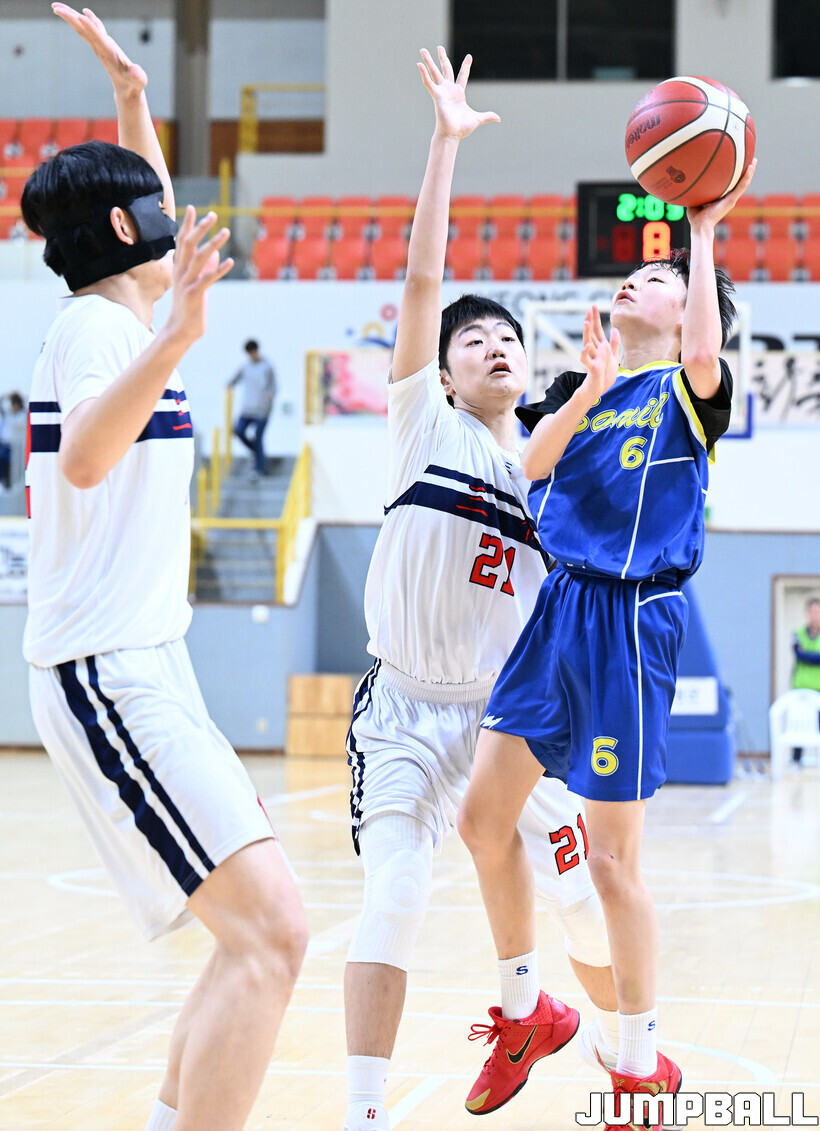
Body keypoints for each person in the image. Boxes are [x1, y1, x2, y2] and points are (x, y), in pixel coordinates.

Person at [21, 9, 307, 1131]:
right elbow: (87, 459)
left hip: (148, 662)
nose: (170, 214)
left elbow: (142, 215)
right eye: (148, 206)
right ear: (117, 228)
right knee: (271, 933)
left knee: (253, 938)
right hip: (106, 669)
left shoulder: (131, 313)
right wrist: (177, 338)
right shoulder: (99, 330)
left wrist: (133, 94)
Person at [342, 46, 618, 1131]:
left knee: (585, 899)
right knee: (395, 899)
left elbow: (563, 446)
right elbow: (422, 282)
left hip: (506, 721)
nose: (494, 346)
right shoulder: (425, 426)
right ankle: (364, 1115)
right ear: (444, 372)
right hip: (406, 712)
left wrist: (595, 391)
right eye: (473, 340)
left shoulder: (539, 466)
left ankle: (620, 1053)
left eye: (508, 337)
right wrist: (444, 145)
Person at [458, 156, 756, 1130]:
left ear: (687, 311)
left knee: (613, 864)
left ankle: (637, 1064)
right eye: (635, 272)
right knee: (481, 819)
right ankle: (526, 1013)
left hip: (630, 623)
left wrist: (699, 232)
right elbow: (529, 466)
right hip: (558, 613)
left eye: (657, 279)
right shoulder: (581, 390)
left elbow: (704, 346)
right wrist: (586, 391)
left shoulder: (690, 390)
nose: (635, 279)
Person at [227, 339, 276, 478]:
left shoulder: (267, 367)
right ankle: (258, 454)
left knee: (258, 437)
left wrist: (269, 396)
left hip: (262, 410)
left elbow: (273, 386)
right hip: (247, 409)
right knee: (239, 431)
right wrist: (229, 385)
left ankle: (259, 468)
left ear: (256, 351)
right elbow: (235, 379)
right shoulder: (245, 367)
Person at [790, 597, 820, 764]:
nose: (815, 614)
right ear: (807, 613)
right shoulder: (798, 633)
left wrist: (807, 655)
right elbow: (798, 654)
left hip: (818, 687)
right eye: (812, 611)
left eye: (818, 611)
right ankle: (796, 760)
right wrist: (812, 656)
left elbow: (805, 655)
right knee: (798, 725)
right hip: (800, 688)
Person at [0, 392, 26, 488]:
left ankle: (8, 483)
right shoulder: (8, 414)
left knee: (10, 466)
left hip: (15, 447)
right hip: (4, 444)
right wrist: (7, 396)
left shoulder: (22, 416)